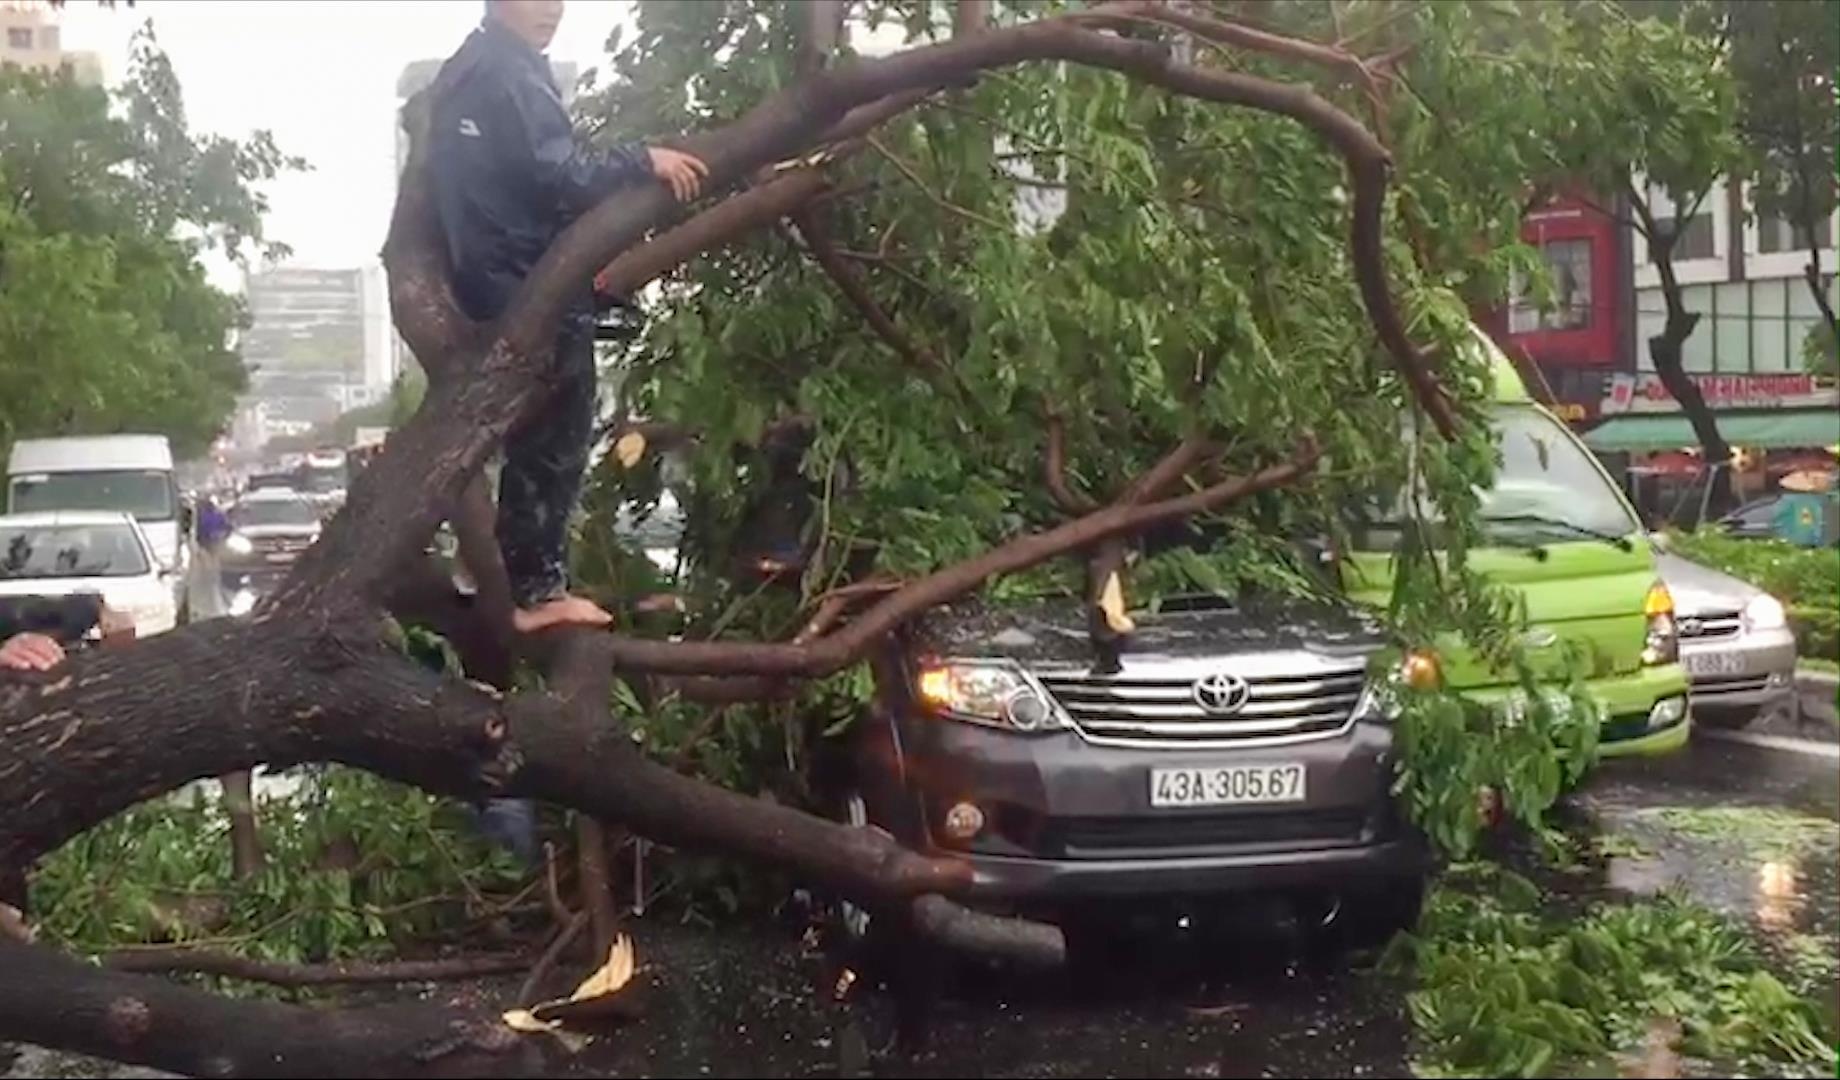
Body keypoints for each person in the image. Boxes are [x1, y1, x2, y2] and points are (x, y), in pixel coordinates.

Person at [429, 0, 707, 635]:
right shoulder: (513, 73)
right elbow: (560, 174)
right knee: (556, 441)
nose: (551, 10)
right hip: (525, 279)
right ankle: (535, 590)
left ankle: (492, 571)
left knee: (525, 433)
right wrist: (644, 159)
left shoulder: (468, 67)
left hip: (485, 274)